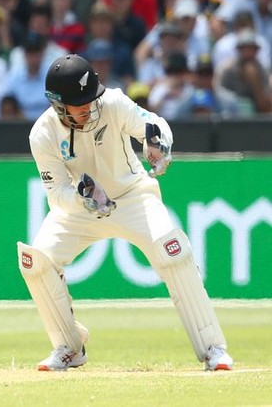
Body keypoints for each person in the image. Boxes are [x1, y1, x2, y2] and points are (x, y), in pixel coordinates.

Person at [17, 53, 233, 372]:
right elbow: (57, 195)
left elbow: (152, 124)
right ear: (59, 105)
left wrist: (158, 144)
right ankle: (69, 347)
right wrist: (85, 198)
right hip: (83, 207)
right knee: (36, 261)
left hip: (133, 196)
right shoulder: (43, 134)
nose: (90, 108)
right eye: (81, 105)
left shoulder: (113, 103)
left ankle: (213, 348)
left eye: (92, 100)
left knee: (172, 251)